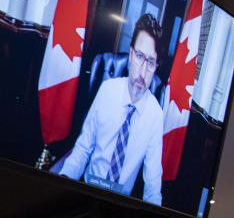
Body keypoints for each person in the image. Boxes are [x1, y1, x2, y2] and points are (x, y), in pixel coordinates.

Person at [57, 13, 164, 204]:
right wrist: (64, 181)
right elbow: (83, 148)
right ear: (131, 55)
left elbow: (153, 184)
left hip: (119, 205)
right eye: (139, 56)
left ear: (156, 66)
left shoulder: (156, 115)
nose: (142, 71)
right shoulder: (107, 91)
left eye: (151, 61)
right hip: (86, 191)